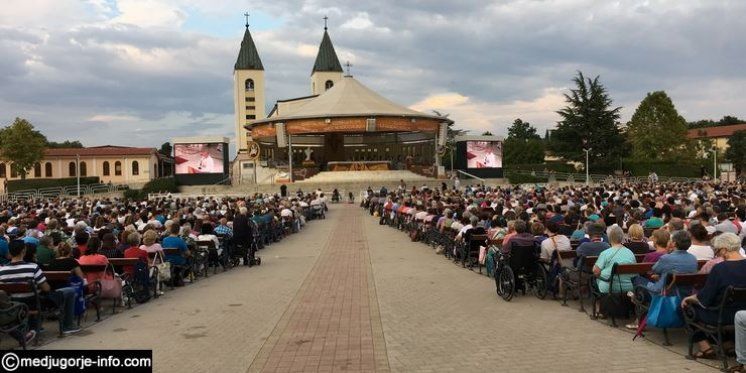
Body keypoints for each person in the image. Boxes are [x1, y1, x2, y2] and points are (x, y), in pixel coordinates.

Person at [682, 233, 746, 360]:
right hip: (742, 311)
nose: (717, 254)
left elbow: (705, 298)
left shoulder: (720, 268)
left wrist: (689, 298)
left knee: (687, 308)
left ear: (724, 250)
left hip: (723, 315)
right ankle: (728, 344)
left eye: (716, 251)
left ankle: (706, 348)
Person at [0, 240, 80, 335]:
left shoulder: (2, 270)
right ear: (23, 251)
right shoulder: (33, 267)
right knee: (70, 291)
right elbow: (46, 288)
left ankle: (35, 326)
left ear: (9, 252)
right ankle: (68, 325)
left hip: (14, 305)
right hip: (34, 303)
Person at [593, 225, 636, 295]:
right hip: (629, 287)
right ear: (622, 237)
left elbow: (596, 271)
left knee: (593, 280)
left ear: (610, 238)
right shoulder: (630, 253)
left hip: (609, 287)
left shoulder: (605, 253)